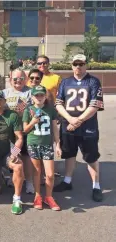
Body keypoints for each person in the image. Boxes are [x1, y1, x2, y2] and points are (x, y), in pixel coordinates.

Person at [53, 54, 104, 202]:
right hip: (68, 125)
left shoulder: (93, 81)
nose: (78, 67)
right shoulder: (65, 82)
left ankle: (96, 185)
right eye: (75, 64)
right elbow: (58, 103)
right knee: (69, 154)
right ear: (71, 66)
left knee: (91, 156)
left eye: (81, 64)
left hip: (88, 126)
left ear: (86, 65)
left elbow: (95, 105)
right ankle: (67, 181)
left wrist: (78, 121)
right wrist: (69, 119)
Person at [23, 85, 61, 211]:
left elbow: (55, 128)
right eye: (36, 95)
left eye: (41, 95)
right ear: (32, 97)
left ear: (45, 96)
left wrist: (58, 145)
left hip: (47, 144)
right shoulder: (28, 110)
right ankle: (38, 195)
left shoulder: (51, 110)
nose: (39, 97)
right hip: (33, 143)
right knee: (37, 171)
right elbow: (25, 130)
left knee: (49, 174)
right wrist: (33, 121)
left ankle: (49, 197)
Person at [3, 68, 34, 194]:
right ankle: (12, 177)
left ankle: (29, 182)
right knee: (13, 154)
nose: (18, 81)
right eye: (15, 79)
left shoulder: (30, 92)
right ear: (10, 80)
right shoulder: (4, 93)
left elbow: (33, 110)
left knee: (26, 156)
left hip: (25, 130)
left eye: (21, 78)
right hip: (10, 132)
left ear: (25, 79)